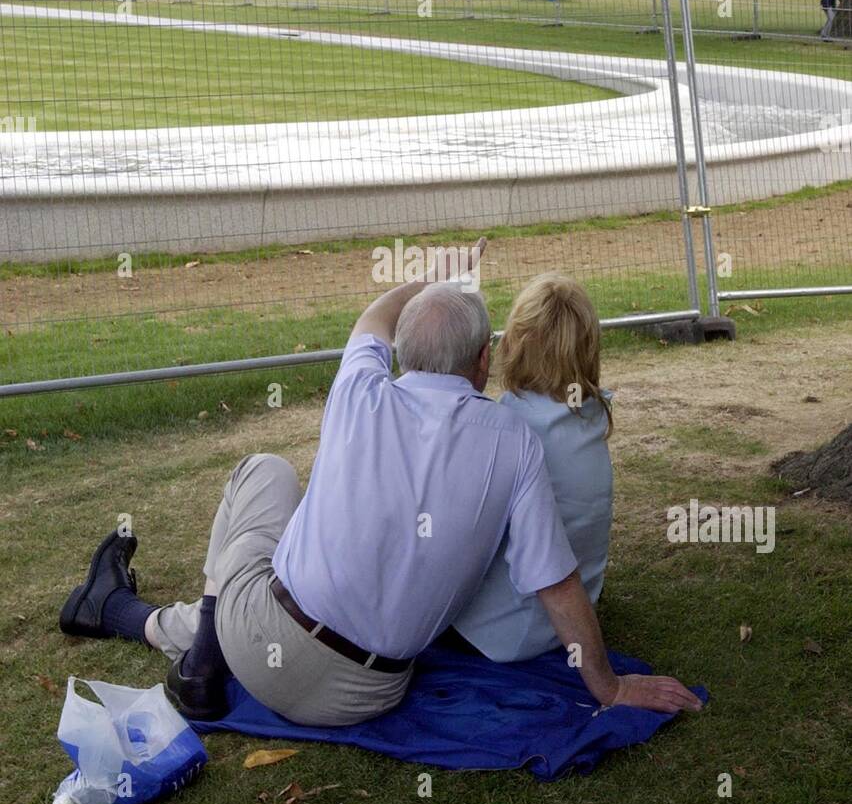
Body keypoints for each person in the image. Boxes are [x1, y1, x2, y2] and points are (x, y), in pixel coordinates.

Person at [58, 242, 701, 728]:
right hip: (371, 694)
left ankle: (194, 655)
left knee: (265, 475)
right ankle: (119, 612)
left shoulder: (360, 389)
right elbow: (555, 578)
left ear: (400, 352)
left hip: (270, 648)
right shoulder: (514, 441)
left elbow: (374, 317)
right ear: (482, 362)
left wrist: (433, 276)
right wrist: (607, 686)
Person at [448, 275, 613, 661]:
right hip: (573, 619)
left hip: (499, 634)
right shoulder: (591, 416)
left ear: (514, 344)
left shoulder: (504, 425)